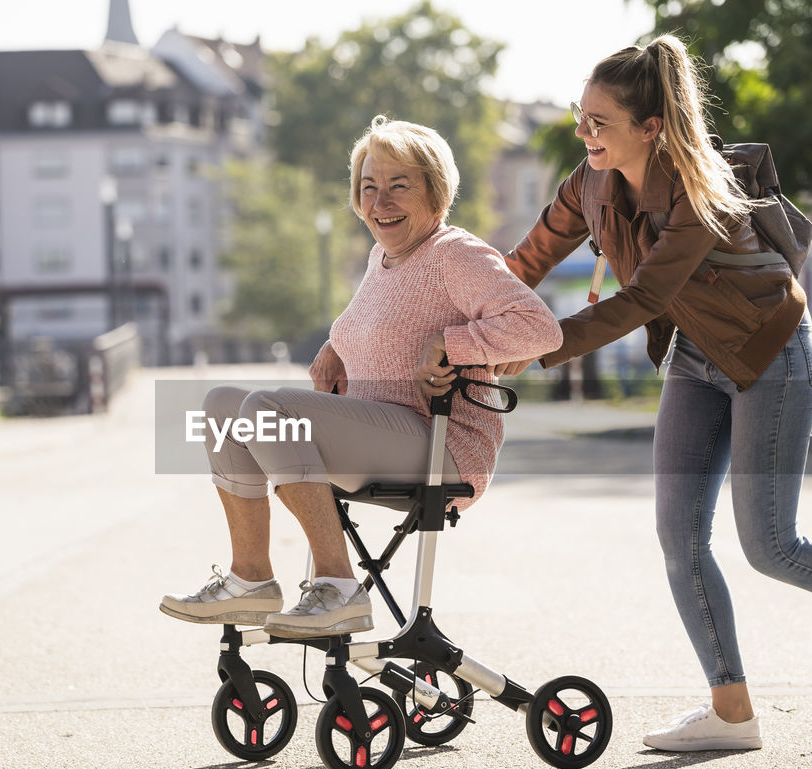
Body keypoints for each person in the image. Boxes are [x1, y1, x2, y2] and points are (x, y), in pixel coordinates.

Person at [495, 35, 812, 750]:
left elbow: (647, 294)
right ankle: (732, 711)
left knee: (772, 545)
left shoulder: (699, 188)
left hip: (772, 354)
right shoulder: (589, 184)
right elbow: (525, 261)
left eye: (600, 121)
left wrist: (535, 348)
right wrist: (466, 319)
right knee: (679, 536)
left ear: (650, 127)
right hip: (696, 358)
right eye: (580, 116)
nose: (583, 132)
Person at [160, 115, 564, 639]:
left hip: (444, 444)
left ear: (436, 193)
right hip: (384, 432)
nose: (380, 203)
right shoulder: (382, 257)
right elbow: (378, 326)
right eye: (369, 188)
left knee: (266, 409)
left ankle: (337, 587)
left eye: (400, 186)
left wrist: (450, 345)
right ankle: (250, 579)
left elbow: (540, 328)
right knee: (220, 404)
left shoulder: (454, 254)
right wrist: (336, 348)